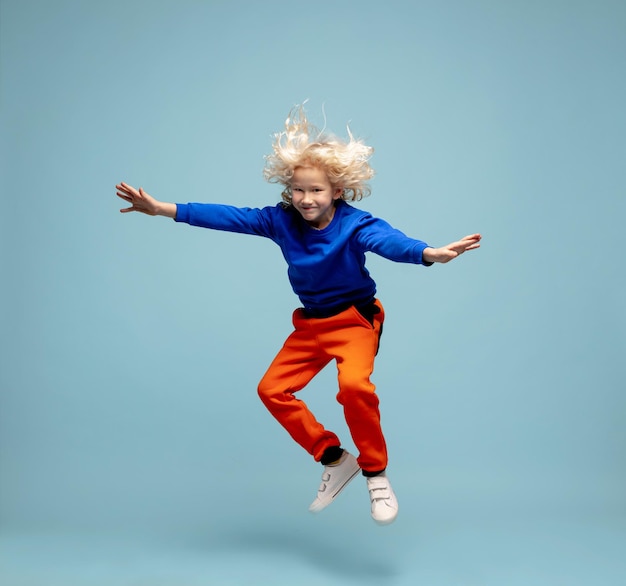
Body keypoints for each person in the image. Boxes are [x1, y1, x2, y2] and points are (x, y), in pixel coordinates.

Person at [116, 105, 481, 525]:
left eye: (317, 192)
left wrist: (427, 253)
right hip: (311, 323)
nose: (306, 200)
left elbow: (389, 241)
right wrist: (162, 208)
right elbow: (229, 216)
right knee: (272, 390)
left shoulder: (356, 224)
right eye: (298, 191)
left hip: (355, 321)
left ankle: (376, 474)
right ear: (289, 191)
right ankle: (334, 458)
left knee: (354, 387)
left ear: (337, 192)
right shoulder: (281, 220)